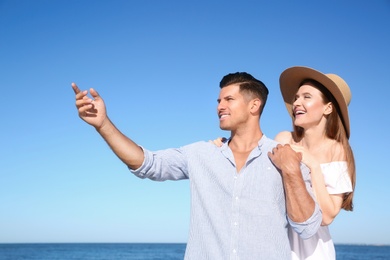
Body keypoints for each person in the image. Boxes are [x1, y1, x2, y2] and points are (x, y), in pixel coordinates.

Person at [72, 72, 322, 259]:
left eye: (229, 99)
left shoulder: (285, 158)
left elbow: (307, 227)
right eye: (218, 100)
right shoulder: (201, 154)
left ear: (254, 105)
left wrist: (290, 171)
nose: (219, 106)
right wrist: (103, 124)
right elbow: (147, 164)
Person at [276, 66, 356, 259]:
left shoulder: (336, 150)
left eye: (307, 97)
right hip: (275, 244)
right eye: (296, 97)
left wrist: (313, 165)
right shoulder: (284, 139)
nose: (297, 103)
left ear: (328, 107)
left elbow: (327, 216)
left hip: (313, 252)